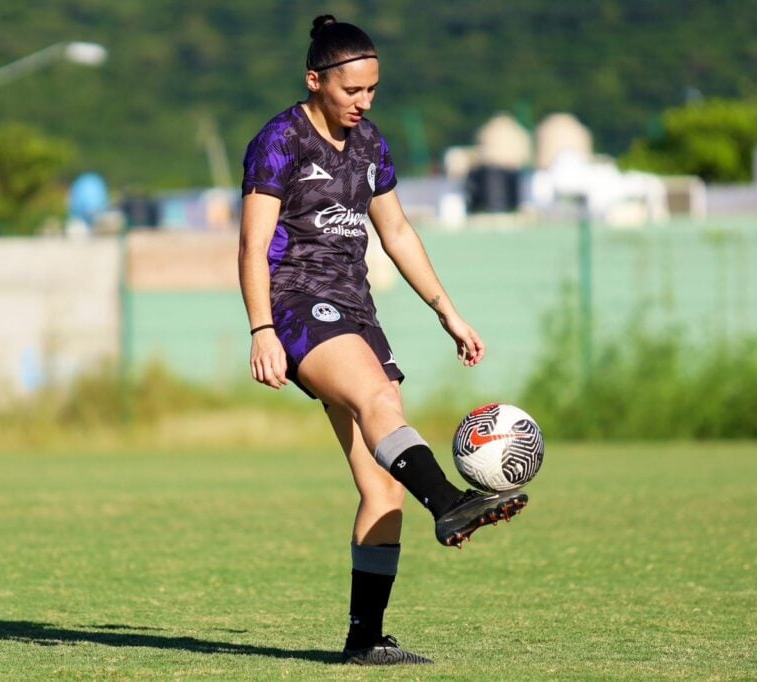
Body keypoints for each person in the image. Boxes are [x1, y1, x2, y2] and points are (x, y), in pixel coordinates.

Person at [238, 15, 529, 666]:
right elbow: (253, 245)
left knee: (383, 487)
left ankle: (364, 640)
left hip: (356, 306)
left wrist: (446, 311)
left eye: (373, 91)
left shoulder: (370, 144)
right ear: (316, 81)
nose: (364, 104)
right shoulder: (278, 142)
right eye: (351, 92)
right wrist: (260, 328)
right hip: (296, 304)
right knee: (379, 400)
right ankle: (451, 503)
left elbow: (397, 234)